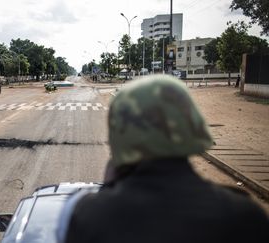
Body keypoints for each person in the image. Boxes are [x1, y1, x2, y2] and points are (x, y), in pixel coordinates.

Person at [57, 75, 269, 243]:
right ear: (190, 126)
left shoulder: (89, 215)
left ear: (119, 137)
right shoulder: (245, 216)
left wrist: (108, 187)